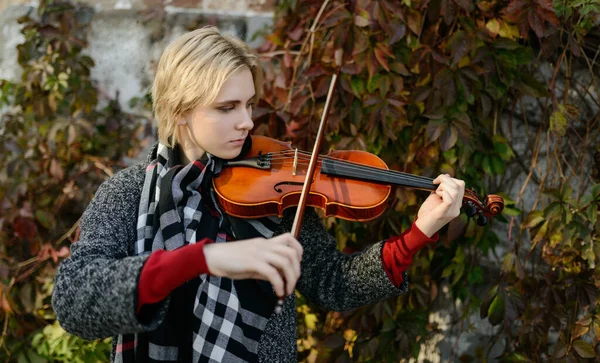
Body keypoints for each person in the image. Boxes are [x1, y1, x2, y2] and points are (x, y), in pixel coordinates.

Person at [52, 26, 466, 363]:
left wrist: (420, 232)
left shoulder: (272, 188)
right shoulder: (128, 194)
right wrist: (203, 258)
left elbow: (331, 283)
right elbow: (74, 300)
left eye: (249, 104)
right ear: (180, 110)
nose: (248, 122)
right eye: (227, 107)